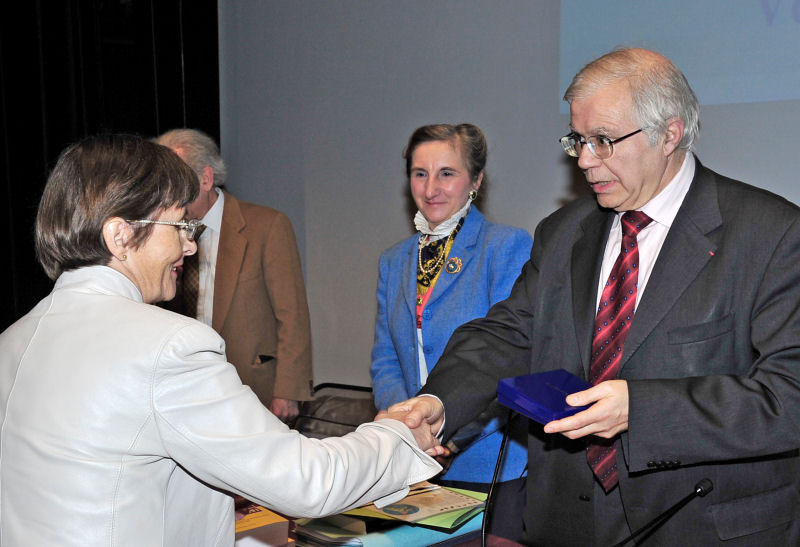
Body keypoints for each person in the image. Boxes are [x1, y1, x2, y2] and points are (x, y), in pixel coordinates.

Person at [391, 48, 800, 545]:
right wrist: (439, 401)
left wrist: (640, 410)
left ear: (668, 134)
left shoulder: (771, 233)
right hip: (565, 522)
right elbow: (510, 332)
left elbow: (789, 396)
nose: (584, 161)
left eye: (603, 141)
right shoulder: (565, 231)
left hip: (702, 525)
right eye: (578, 140)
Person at [0, 134, 443, 546]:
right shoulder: (167, 346)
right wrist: (398, 437)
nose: (189, 247)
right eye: (178, 226)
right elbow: (308, 481)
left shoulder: (12, 341)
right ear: (121, 235)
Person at [370, 123, 532, 539]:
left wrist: (448, 434)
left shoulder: (507, 247)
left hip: (486, 457)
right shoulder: (395, 260)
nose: (430, 188)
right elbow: (386, 357)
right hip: (411, 459)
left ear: (476, 180)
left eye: (447, 173)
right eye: (419, 173)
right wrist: (404, 427)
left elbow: (509, 357)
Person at [154, 128, 311, 422]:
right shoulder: (163, 232)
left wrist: (288, 390)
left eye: (175, 183)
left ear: (206, 179)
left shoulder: (267, 225)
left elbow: (293, 316)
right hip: (184, 391)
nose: (167, 195)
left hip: (252, 389)